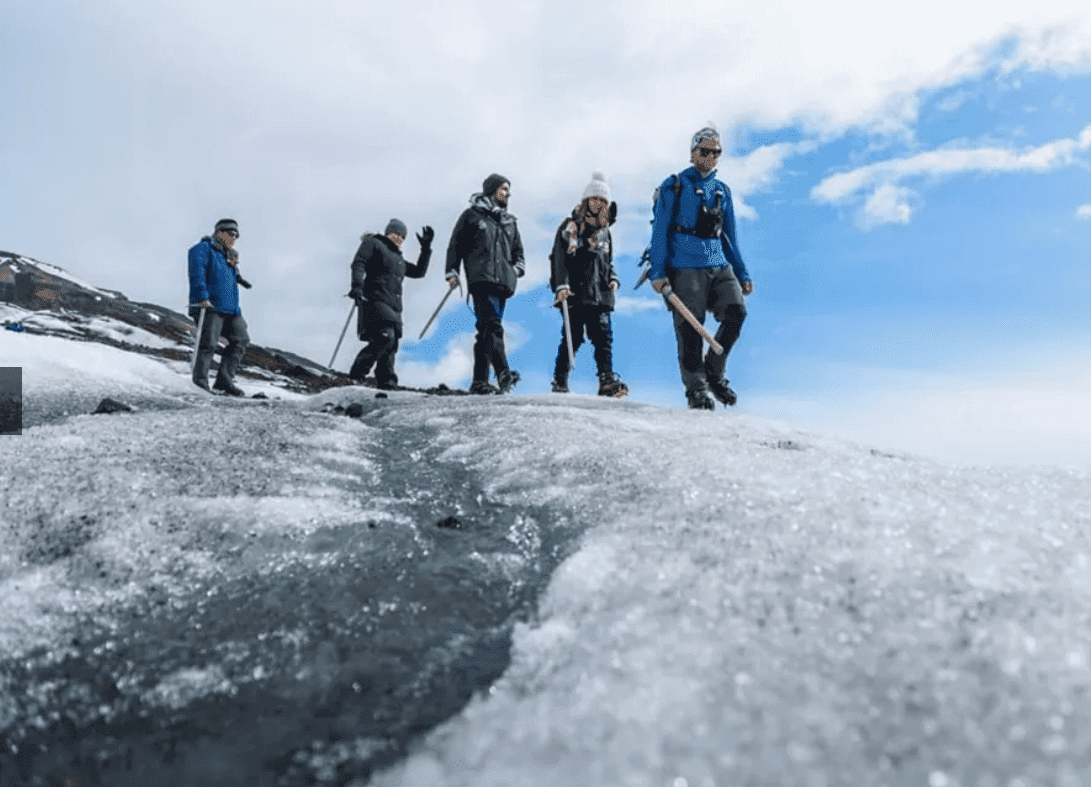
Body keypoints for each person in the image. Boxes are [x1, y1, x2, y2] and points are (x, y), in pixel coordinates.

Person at [647, 126, 754, 410]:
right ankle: (696, 389)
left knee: (736, 313)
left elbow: (730, 237)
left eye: (716, 152)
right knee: (690, 328)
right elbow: (659, 232)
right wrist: (657, 272)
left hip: (718, 265)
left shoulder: (722, 191)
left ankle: (714, 373)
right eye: (705, 151)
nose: (710, 157)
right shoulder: (673, 186)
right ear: (693, 152)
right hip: (684, 266)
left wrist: (741, 272)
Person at [549, 171, 628, 397]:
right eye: (594, 199)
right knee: (573, 337)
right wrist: (561, 285)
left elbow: (607, 260)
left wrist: (612, 277)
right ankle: (560, 379)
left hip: (600, 293)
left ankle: (606, 380)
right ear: (586, 201)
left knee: (603, 336)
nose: (597, 203)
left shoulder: (606, 233)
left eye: (602, 200)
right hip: (576, 292)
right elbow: (559, 257)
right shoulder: (570, 227)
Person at [445, 174, 525, 395]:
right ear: (492, 191)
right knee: (492, 327)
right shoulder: (471, 216)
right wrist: (452, 272)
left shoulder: (510, 221)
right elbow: (456, 245)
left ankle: (479, 381)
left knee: (486, 332)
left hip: (503, 283)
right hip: (481, 279)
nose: (508, 194)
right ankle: (503, 374)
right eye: (503, 189)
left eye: (509, 190)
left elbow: (518, 251)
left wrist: (515, 270)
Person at [347, 219, 434, 389]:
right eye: (395, 234)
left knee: (391, 346)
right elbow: (359, 263)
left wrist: (425, 249)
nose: (398, 238)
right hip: (374, 300)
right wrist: (357, 286)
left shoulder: (399, 259)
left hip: (394, 308)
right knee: (384, 338)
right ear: (388, 232)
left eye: (402, 237)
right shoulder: (374, 243)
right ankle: (357, 374)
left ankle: (387, 383)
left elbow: (418, 272)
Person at [188, 218, 251, 396]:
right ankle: (200, 383)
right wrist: (201, 296)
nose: (234, 238)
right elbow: (197, 272)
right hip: (209, 305)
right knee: (208, 343)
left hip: (231, 308)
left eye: (236, 236)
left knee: (241, 340)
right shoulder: (203, 249)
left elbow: (228, 277)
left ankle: (224, 381)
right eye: (231, 234)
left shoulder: (229, 256)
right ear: (219, 232)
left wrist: (239, 277)